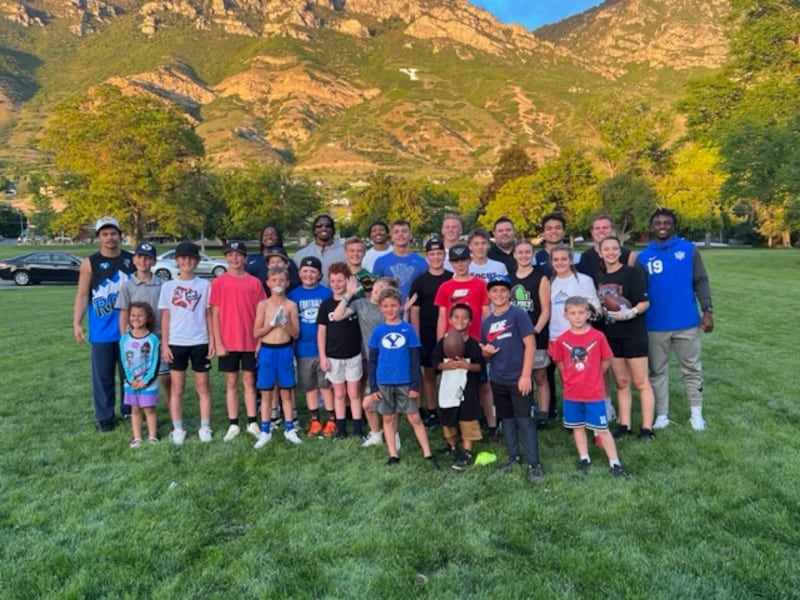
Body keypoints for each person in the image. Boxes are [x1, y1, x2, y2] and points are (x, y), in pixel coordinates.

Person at [637, 208, 714, 431]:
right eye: (658, 222)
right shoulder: (643, 257)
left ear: (674, 226)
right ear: (652, 226)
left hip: (687, 322)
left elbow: (701, 280)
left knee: (691, 369)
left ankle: (696, 414)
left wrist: (707, 310)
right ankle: (661, 414)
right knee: (657, 372)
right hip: (655, 324)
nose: (662, 226)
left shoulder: (689, 250)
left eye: (667, 223)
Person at [548, 296, 628, 478]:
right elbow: (560, 362)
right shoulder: (562, 340)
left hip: (593, 392)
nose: (577, 317)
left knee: (602, 428)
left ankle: (614, 462)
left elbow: (606, 359)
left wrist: (594, 375)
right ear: (566, 315)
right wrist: (570, 377)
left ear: (588, 314)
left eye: (581, 313)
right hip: (572, 393)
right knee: (578, 427)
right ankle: (584, 457)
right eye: (573, 313)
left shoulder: (598, 337)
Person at [73, 216, 135, 432]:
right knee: (103, 378)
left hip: (129, 331)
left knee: (130, 375)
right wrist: (77, 323)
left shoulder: (131, 260)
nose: (110, 238)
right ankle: (105, 418)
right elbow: (82, 295)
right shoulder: (90, 263)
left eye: (113, 233)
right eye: (105, 234)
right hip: (102, 333)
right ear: (99, 237)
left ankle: (130, 411)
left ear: (120, 235)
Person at [480, 275, 544, 483]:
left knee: (524, 420)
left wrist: (525, 375)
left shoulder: (518, 314)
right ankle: (513, 456)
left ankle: (534, 464)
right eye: (494, 291)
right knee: (506, 419)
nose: (499, 294)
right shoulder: (487, 322)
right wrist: (487, 353)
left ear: (509, 293)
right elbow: (486, 351)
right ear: (489, 294)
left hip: (518, 378)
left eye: (503, 291)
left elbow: (531, 345)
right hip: (498, 378)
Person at [366, 287, 437, 467]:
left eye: (393, 305)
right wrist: (373, 387)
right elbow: (372, 361)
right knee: (388, 418)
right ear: (381, 308)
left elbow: (414, 360)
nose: (390, 309)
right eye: (386, 306)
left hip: (405, 382)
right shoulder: (378, 332)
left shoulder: (408, 330)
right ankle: (393, 454)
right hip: (384, 382)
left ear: (400, 306)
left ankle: (427, 453)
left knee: (414, 417)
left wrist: (415, 385)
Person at [434, 243, 496, 440]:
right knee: (457, 385)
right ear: (450, 263)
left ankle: (492, 423)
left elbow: (487, 313)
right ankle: (458, 424)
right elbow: (442, 317)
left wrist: (488, 340)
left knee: (483, 385)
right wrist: (440, 343)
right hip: (452, 344)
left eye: (463, 260)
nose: (460, 265)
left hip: (474, 341)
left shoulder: (479, 284)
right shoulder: (445, 287)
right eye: (455, 261)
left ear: (470, 260)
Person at [596, 236, 656, 440]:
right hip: (611, 335)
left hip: (632, 333)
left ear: (620, 251)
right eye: (607, 249)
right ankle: (625, 425)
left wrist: (630, 313)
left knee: (640, 381)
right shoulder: (600, 277)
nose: (611, 252)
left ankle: (647, 428)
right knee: (621, 382)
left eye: (615, 248)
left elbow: (645, 302)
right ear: (600, 252)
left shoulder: (631, 272)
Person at [158, 241, 214, 445]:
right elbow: (165, 317)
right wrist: (164, 344)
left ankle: (205, 426)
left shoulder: (204, 285)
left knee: (203, 386)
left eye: (191, 258)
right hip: (176, 342)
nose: (187, 262)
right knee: (177, 388)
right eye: (183, 258)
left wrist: (212, 340)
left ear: (197, 261)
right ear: (177, 261)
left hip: (200, 341)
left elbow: (209, 315)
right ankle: (178, 428)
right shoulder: (168, 286)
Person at [210, 240, 266, 442]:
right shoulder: (219, 283)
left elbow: (262, 313)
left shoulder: (254, 283)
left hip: (250, 340)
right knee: (231, 382)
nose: (234, 258)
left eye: (238, 255)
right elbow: (215, 314)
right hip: (228, 341)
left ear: (245, 258)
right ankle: (233, 423)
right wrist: (218, 342)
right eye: (230, 255)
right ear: (225, 258)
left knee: (250, 382)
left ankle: (252, 421)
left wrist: (260, 340)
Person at [333, 275, 398, 446]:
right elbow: (338, 316)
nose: (378, 288)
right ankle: (376, 433)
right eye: (378, 285)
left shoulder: (388, 309)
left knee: (390, 401)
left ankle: (394, 434)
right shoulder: (360, 304)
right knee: (368, 403)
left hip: (389, 362)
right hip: (371, 362)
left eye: (383, 287)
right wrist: (348, 294)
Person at [115, 241, 170, 403]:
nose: (143, 261)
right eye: (139, 257)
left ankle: (174, 415)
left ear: (154, 261)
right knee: (140, 378)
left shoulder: (163, 285)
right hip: (138, 341)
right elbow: (124, 312)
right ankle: (143, 413)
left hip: (159, 339)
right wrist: (124, 338)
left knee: (166, 379)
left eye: (147, 258)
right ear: (134, 259)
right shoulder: (128, 286)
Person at [288, 256, 336, 437]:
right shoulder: (293, 295)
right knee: (309, 386)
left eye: (313, 272)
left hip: (324, 349)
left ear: (320, 275)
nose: (309, 275)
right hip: (303, 349)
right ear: (299, 273)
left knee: (325, 385)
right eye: (305, 271)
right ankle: (314, 420)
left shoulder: (326, 294)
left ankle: (331, 420)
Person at [431, 304, 484, 470]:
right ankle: (453, 446)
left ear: (470, 322)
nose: (460, 321)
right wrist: (444, 366)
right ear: (450, 320)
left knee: (468, 418)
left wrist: (466, 365)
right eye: (456, 317)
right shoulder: (443, 342)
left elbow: (480, 366)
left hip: (467, 389)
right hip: (448, 387)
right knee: (448, 417)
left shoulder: (473, 344)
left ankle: (467, 451)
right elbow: (435, 363)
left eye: (464, 318)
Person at [253, 266, 301, 447]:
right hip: (267, 351)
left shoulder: (291, 305)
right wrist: (271, 324)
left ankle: (290, 428)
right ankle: (265, 430)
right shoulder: (263, 305)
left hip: (285, 351)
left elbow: (296, 334)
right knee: (266, 393)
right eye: (274, 281)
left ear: (287, 283)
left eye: (282, 280)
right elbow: (256, 332)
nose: (278, 284)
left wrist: (285, 324)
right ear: (268, 283)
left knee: (286, 392)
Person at [317, 261, 364, 439]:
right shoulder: (325, 305)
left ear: (348, 281)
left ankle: (358, 430)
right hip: (333, 356)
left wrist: (350, 295)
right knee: (339, 394)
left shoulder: (355, 302)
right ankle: (341, 429)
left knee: (353, 393)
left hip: (353, 355)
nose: (337, 284)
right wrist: (322, 356)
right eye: (333, 281)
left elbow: (340, 315)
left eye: (340, 280)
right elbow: (321, 333)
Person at [409, 237, 452, 428]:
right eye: (432, 254)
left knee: (451, 373)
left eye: (439, 253)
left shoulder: (452, 278)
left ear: (444, 255)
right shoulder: (420, 281)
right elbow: (414, 312)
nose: (436, 257)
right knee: (429, 375)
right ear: (427, 257)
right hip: (426, 334)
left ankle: (451, 409)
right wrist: (416, 339)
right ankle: (433, 410)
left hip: (450, 333)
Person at [509, 240, 551, 427]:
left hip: (535, 333)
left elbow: (546, 309)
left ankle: (543, 415)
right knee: (520, 375)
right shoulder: (508, 278)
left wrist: (535, 330)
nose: (524, 255)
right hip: (514, 335)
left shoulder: (540, 277)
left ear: (532, 254)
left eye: (528, 252)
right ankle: (524, 412)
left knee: (540, 375)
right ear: (514, 255)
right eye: (520, 252)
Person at [119, 301, 161, 448]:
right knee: (135, 409)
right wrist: (130, 380)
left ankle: (152, 436)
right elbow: (123, 362)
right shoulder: (124, 339)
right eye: (133, 315)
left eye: (140, 315)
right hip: (131, 383)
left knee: (149, 409)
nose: (136, 318)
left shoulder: (153, 339)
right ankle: (137, 438)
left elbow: (155, 362)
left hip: (148, 382)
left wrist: (146, 380)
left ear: (148, 318)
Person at [372, 219, 428, 302]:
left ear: (410, 235)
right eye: (396, 232)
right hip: (388, 312)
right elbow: (375, 293)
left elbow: (425, 290)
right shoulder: (380, 262)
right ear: (391, 236)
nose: (400, 234)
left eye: (404, 231)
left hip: (414, 311)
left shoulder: (421, 262)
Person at [577, 213, 639, 280]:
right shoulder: (584, 258)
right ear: (592, 232)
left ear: (612, 230)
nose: (601, 231)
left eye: (605, 228)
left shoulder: (629, 256)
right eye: (597, 228)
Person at [293, 215, 345, 286]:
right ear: (314, 230)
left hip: (339, 295)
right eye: (319, 226)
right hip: (311, 296)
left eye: (328, 226)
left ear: (332, 230)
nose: (323, 228)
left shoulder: (345, 253)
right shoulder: (300, 255)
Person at [246, 225, 300, 290]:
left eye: (273, 234)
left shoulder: (288, 262)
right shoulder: (251, 259)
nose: (269, 237)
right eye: (266, 235)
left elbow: (295, 285)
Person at [534, 212, 567, 278]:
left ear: (564, 232)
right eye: (549, 228)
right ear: (543, 233)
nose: (554, 231)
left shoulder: (576, 258)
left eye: (558, 228)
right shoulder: (535, 260)